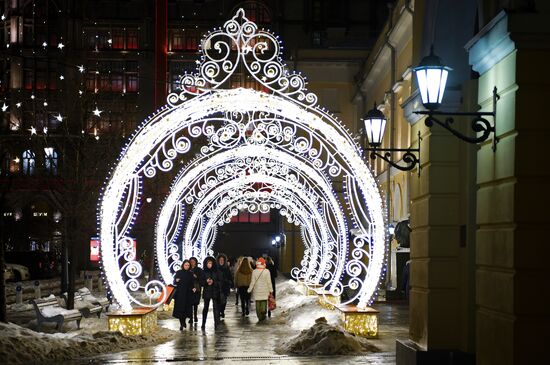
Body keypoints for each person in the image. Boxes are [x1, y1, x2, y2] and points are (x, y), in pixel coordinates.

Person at [247, 257, 273, 322]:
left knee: (258, 304)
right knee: (264, 302)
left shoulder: (254, 271)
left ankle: (259, 316)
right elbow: (269, 282)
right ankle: (263, 312)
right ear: (264, 264)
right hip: (265, 291)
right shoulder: (267, 271)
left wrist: (249, 289)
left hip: (257, 291)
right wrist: (271, 290)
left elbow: (252, 282)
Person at [172, 260, 195, 330]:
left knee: (186, 309)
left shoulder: (191, 273)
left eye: (188, 265)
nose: (187, 266)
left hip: (188, 294)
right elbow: (174, 281)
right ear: (183, 265)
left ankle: (184, 321)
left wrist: (193, 288)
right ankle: (181, 323)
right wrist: (176, 280)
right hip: (180, 293)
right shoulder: (179, 272)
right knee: (180, 309)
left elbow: (192, 283)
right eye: (185, 265)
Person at [200, 256, 222, 330]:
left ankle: (216, 323)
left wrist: (213, 282)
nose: (209, 264)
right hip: (207, 291)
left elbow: (220, 281)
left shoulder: (216, 271)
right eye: (208, 263)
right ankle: (203, 323)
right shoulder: (203, 272)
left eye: (210, 263)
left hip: (215, 291)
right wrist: (206, 282)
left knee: (215, 308)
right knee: (205, 307)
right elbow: (201, 282)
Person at [216, 253, 233, 319]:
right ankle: (219, 311)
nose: (221, 261)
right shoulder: (216, 268)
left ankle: (222, 310)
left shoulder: (226, 268)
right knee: (219, 300)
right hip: (218, 287)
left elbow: (230, 277)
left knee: (224, 300)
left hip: (225, 287)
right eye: (220, 260)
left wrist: (229, 282)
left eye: (222, 260)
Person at [189, 257, 203, 323]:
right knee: (190, 303)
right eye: (191, 261)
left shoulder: (199, 270)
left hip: (197, 288)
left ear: (196, 262)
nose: (192, 263)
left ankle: (195, 316)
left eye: (193, 261)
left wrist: (196, 277)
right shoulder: (188, 269)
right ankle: (191, 318)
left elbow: (201, 279)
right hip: (189, 288)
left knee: (195, 303)